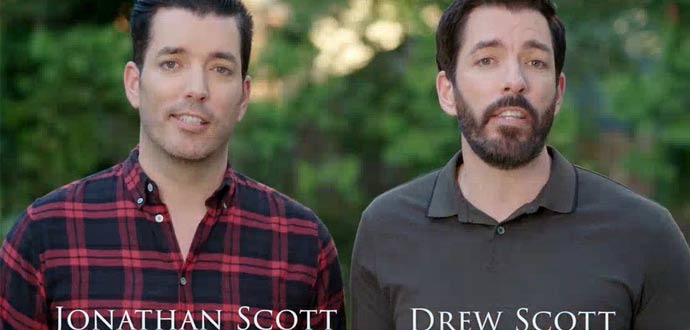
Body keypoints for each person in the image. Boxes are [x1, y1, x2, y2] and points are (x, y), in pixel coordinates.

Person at [0, 1, 345, 329]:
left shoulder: (303, 245)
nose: (197, 89)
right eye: (172, 64)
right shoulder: (44, 237)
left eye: (220, 69)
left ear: (244, 96)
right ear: (134, 84)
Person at [349, 0, 690, 329]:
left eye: (536, 62)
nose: (515, 80)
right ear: (447, 91)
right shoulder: (386, 230)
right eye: (487, 60)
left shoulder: (646, 235)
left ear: (558, 93)